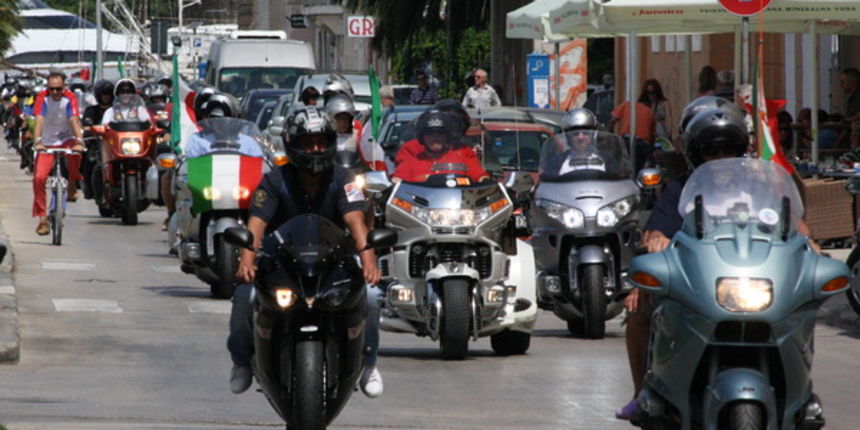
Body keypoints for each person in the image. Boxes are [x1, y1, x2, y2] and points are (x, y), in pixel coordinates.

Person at [227, 105, 384, 398]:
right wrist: (247, 258)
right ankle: (241, 363)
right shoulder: (275, 180)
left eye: (321, 142)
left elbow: (356, 221)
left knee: (373, 297)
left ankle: (369, 364)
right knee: (243, 297)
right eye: (307, 143)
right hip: (282, 263)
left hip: (334, 263)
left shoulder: (345, 178)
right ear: (292, 144)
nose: (314, 149)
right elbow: (257, 222)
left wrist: (369, 260)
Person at [32, 71, 84, 235]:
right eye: (51, 89)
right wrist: (38, 141)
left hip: (66, 139)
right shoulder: (42, 98)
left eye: (58, 89)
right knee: (39, 178)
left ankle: (72, 184)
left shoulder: (70, 98)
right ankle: (42, 218)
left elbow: (73, 120)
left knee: (75, 156)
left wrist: (79, 141)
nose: (55, 93)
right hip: (46, 142)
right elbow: (39, 119)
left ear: (64, 87)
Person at [392, 110, 489, 183]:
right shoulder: (411, 158)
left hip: (458, 205)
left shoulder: (463, 155)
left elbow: (478, 174)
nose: (435, 138)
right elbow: (399, 178)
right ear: (422, 137)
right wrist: (394, 183)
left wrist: (485, 181)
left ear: (448, 136)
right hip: (421, 207)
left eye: (440, 134)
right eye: (430, 134)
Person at [184, 93, 265, 159]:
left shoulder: (248, 143)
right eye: (214, 118)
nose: (219, 123)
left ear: (234, 120)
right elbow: (189, 169)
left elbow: (259, 168)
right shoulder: (197, 140)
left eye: (224, 118)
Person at [81, 80, 114, 200]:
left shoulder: (117, 110)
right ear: (98, 96)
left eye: (108, 94)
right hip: (98, 143)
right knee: (90, 158)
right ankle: (89, 188)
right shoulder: (91, 110)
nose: (106, 97)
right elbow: (86, 125)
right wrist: (89, 129)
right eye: (103, 94)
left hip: (115, 144)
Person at [609, 95, 655, 171]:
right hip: (642, 144)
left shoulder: (627, 104)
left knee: (621, 166)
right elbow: (652, 136)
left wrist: (610, 135)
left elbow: (612, 120)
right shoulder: (650, 112)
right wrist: (650, 153)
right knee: (638, 170)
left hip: (626, 141)